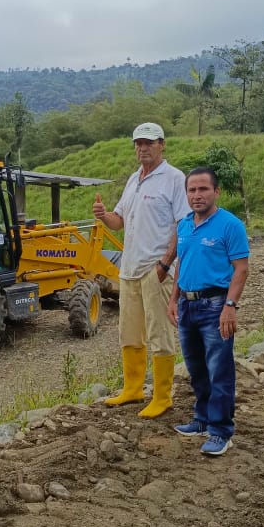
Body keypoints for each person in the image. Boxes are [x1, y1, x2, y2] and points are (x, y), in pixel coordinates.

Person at [93, 122, 188, 418]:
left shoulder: (174, 178)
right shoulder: (134, 179)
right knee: (130, 332)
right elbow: (119, 221)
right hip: (129, 268)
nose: (143, 148)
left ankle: (162, 396)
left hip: (156, 269)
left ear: (162, 144)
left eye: (149, 142)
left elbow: (183, 224)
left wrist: (166, 263)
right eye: (138, 143)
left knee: (160, 333)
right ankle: (133, 389)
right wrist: (104, 216)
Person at [167, 166, 249, 457]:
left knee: (219, 369)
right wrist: (173, 299)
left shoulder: (230, 225)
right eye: (192, 190)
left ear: (216, 192)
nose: (197, 195)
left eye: (203, 189)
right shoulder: (184, 226)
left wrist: (230, 307)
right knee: (196, 368)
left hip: (215, 305)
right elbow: (181, 264)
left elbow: (241, 269)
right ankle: (201, 419)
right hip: (187, 305)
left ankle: (221, 431)